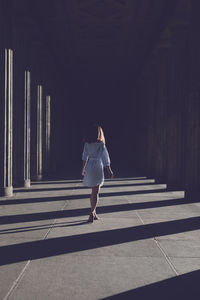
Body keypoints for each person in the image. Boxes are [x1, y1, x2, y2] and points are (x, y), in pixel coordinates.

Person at [81, 124, 113, 222]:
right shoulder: (101, 144)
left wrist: (83, 169)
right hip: (97, 167)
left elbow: (84, 157)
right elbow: (105, 158)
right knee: (96, 192)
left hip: (90, 166)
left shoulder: (87, 144)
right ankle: (92, 212)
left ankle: (94, 213)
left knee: (93, 192)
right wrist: (109, 170)